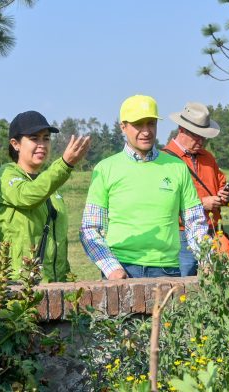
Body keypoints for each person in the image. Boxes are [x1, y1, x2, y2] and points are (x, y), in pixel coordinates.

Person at [80, 95, 209, 280]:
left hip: (167, 270)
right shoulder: (105, 169)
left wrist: (207, 260)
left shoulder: (177, 167)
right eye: (138, 125)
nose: (146, 131)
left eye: (151, 124)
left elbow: (195, 221)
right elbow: (90, 228)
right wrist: (111, 269)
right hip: (121, 269)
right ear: (123, 127)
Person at [0, 111, 90, 282]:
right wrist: (65, 164)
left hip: (53, 287)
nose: (42, 144)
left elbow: (59, 243)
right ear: (15, 144)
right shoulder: (5, 176)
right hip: (18, 286)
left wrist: (66, 284)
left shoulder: (51, 186)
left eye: (46, 138)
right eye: (34, 138)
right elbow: (28, 196)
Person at [163, 102, 229, 276]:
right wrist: (202, 204)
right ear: (182, 130)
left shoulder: (208, 157)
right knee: (185, 288)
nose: (201, 141)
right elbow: (164, 202)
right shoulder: (164, 160)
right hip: (182, 237)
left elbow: (221, 184)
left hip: (213, 233)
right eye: (197, 136)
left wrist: (225, 196)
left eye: (204, 136)